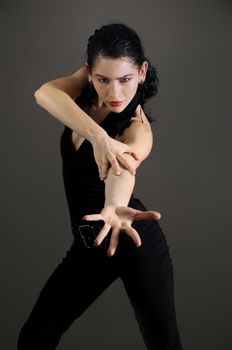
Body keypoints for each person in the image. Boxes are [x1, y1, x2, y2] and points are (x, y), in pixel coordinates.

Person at [17, 23, 184, 349]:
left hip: (132, 237)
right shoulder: (79, 97)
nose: (115, 93)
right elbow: (43, 94)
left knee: (164, 344)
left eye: (125, 79)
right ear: (89, 74)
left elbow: (125, 167)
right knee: (35, 337)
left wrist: (113, 205)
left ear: (141, 72)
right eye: (103, 80)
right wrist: (99, 138)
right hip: (92, 245)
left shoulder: (137, 128)